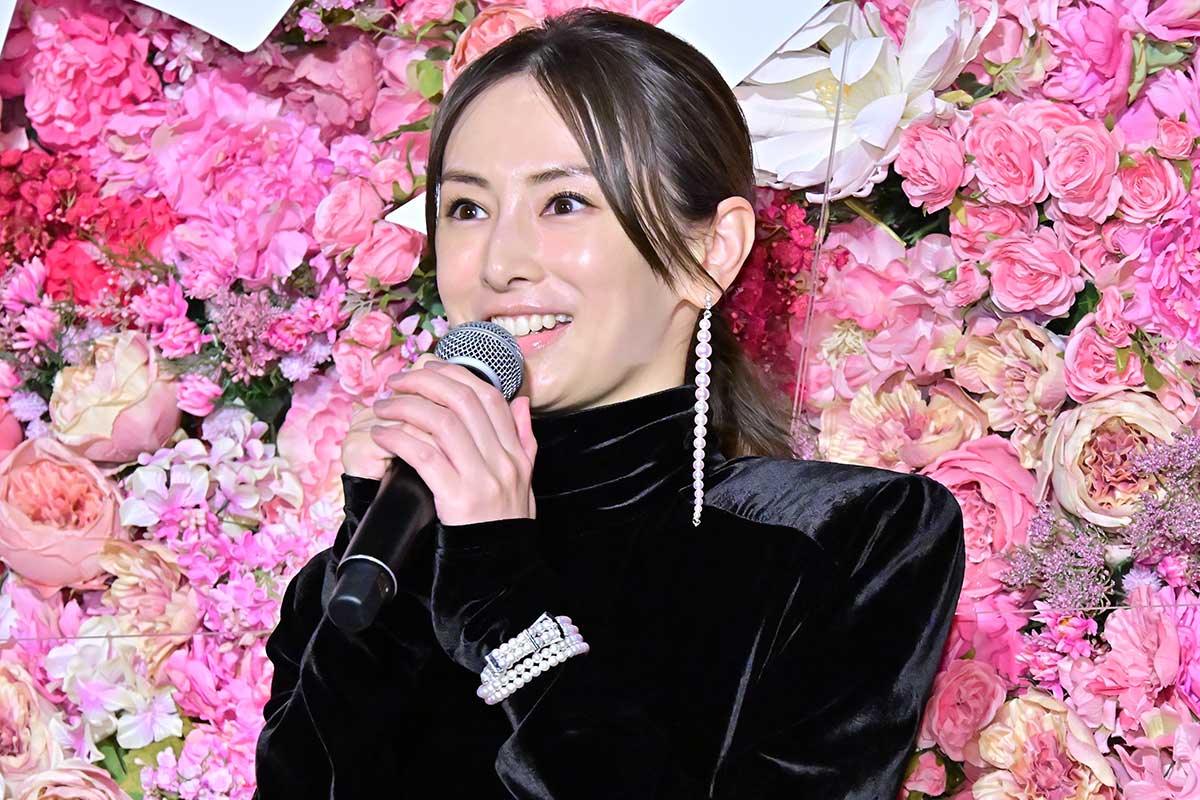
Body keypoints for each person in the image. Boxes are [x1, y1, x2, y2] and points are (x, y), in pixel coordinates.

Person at [253, 8, 966, 799]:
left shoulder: (848, 539)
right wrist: (375, 565)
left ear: (710, 250)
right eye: (467, 209)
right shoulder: (369, 570)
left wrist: (505, 602)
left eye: (563, 203)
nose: (498, 263)